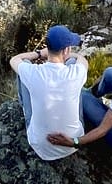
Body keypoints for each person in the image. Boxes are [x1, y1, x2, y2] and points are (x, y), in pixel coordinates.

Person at [9, 24, 88, 160]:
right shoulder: (75, 73)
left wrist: (39, 53)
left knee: (24, 65)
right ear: (66, 50)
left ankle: (23, 105)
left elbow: (14, 60)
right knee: (75, 66)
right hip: (72, 142)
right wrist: (71, 55)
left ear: (48, 47)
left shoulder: (34, 73)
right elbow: (83, 60)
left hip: (41, 147)